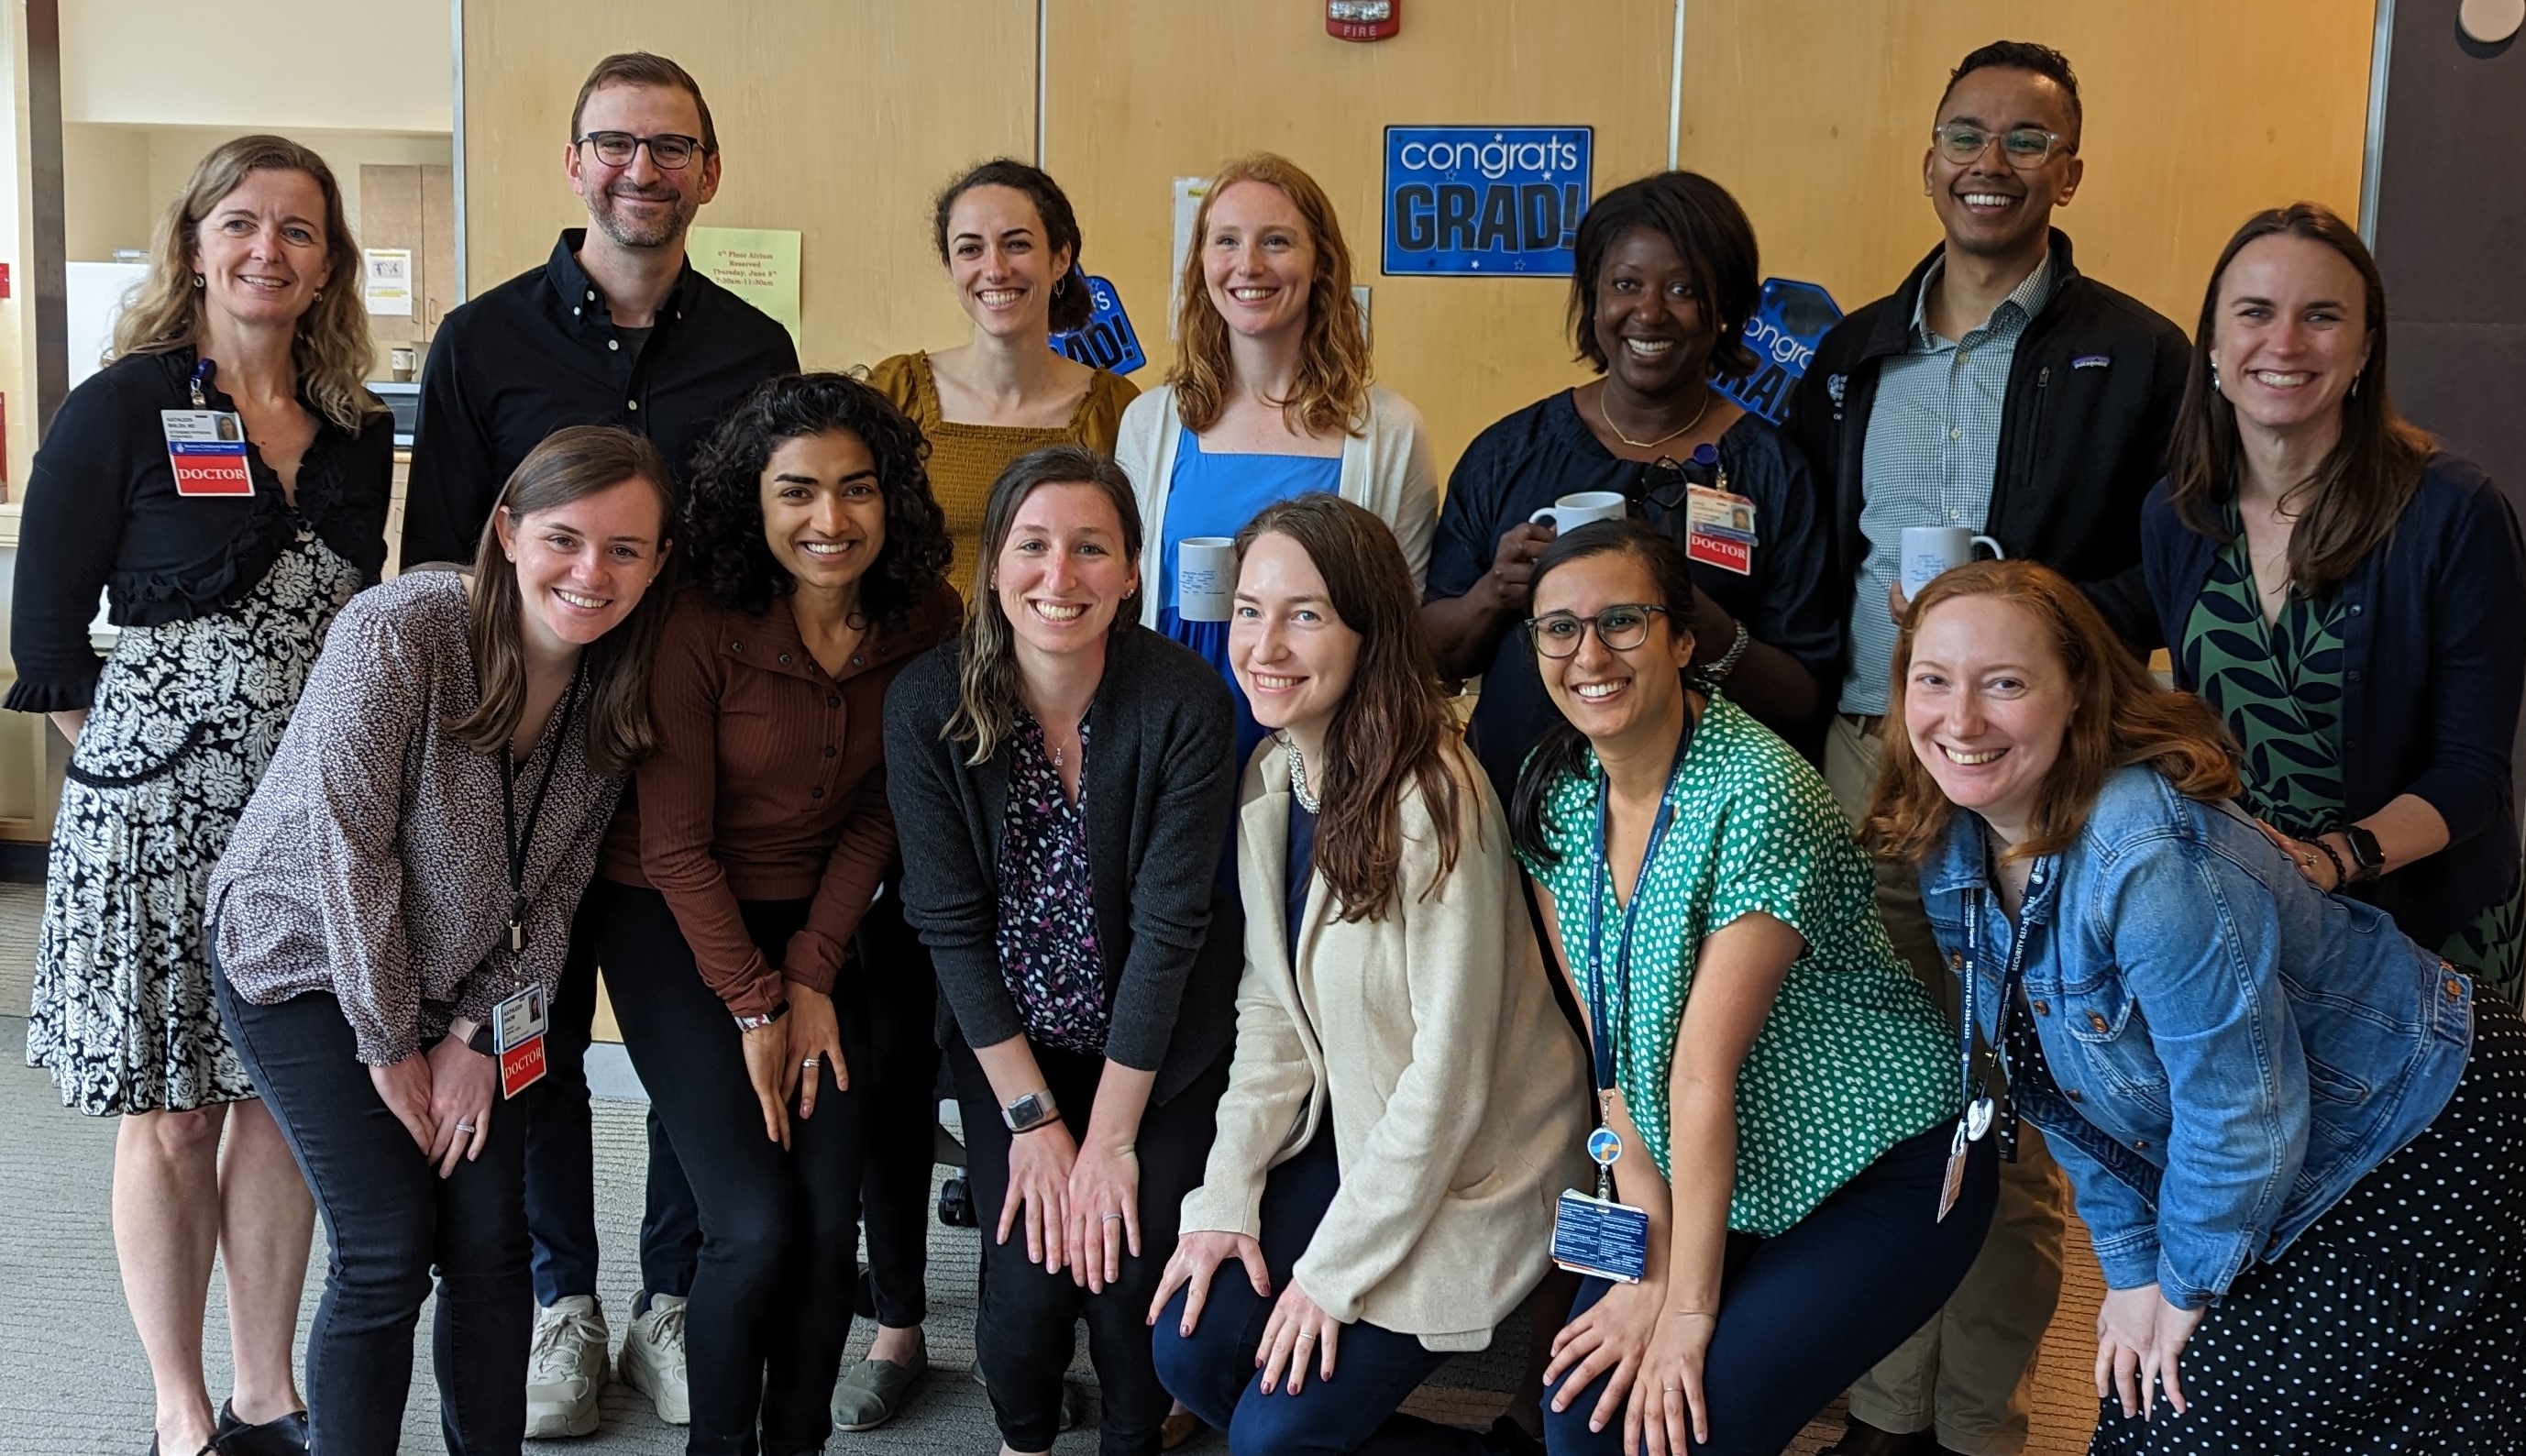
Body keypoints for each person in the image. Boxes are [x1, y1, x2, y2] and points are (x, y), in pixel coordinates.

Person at [1868, 558, 2526, 1452]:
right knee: (2154, 1404)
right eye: (1933, 680)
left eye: (2005, 684)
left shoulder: (2147, 853)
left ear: (2076, 693)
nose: (1960, 720)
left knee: (2191, 1417)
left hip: (2417, 1124)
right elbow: (2062, 1094)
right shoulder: (1953, 843)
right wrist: (2131, 1269)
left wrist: (2180, 1290)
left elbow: (2239, 1111)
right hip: (2273, 1145)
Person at [1785, 42, 2192, 1456]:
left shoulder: (2135, 352)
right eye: (1965, 134)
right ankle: (1882, 1411)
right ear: (1928, 157)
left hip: (2030, 774)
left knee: (2009, 1113)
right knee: (1890, 1103)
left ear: (2067, 172)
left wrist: (2034, 614)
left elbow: (2173, 574)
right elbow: (1806, 565)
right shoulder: (1851, 357)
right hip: (1867, 757)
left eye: (2026, 140)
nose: (1989, 162)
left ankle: (1974, 1426)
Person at [399, 51, 798, 1431]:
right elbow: (444, 565)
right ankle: (561, 1302)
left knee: (693, 1046)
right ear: (574, 162)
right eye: (616, 143)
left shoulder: (756, 349)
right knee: (538, 1042)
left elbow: (759, 564)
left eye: (672, 146)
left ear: (710, 171)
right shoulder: (480, 341)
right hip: (531, 762)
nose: (643, 169)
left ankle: (668, 1299)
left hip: (693, 767)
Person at [6, 135, 392, 1456]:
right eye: (241, 223)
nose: (267, 250)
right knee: (174, 1117)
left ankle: (264, 1391)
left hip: (309, 828)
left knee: (286, 1106)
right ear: (194, 243)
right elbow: (47, 639)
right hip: (154, 819)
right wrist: (146, 768)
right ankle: (180, 1413)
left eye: (298, 229)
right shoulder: (120, 405)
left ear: (328, 263)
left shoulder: (359, 430)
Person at [206, 425, 678, 1455]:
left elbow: (554, 892)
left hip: (462, 987)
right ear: (507, 532)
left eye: (625, 549)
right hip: (306, 959)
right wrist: (391, 1048)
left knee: (491, 1246)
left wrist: (475, 1036)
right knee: (385, 1246)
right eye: (564, 539)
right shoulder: (401, 630)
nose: (591, 573)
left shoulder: (618, 679)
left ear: (657, 563)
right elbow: (349, 855)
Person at [1512, 521, 1991, 1456]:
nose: (1588, 655)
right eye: (1559, 628)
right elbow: (1607, 1042)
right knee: (1580, 1422)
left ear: (1682, 639)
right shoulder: (1556, 783)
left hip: (1880, 1161)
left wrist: (1683, 1308)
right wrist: (1648, 1256)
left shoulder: (1757, 789)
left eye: (1621, 621)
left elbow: (1701, 1074)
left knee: (1684, 1429)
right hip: (1716, 1165)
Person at [1148, 494, 1589, 1455]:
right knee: (1188, 1352)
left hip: (1470, 1155)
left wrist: (1328, 1278)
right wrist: (1223, 1199)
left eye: (1304, 614)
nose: (1265, 644)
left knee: (1273, 1437)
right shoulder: (1274, 777)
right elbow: (1270, 1011)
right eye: (1251, 609)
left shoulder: (1432, 799)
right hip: (1352, 1125)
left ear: (1368, 630)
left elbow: (1448, 1078)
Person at [572, 373, 956, 1453]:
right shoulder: (696, 620)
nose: (830, 519)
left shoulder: (927, 617)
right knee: (750, 1225)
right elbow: (673, 845)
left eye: (856, 488)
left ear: (891, 497)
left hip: (820, 925)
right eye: (797, 491)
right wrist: (758, 1005)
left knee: (829, 1226)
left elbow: (884, 809)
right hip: (671, 919)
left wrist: (815, 970)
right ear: (754, 499)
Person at [853, 158, 1140, 1431]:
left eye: (1018, 244)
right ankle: (898, 1319)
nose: (994, 270)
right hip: (918, 738)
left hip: (1055, 750)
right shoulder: (899, 394)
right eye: (969, 246)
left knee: (1034, 1007)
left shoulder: (1122, 410)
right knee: (891, 1046)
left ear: (1062, 257)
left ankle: (1056, 1285)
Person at [884, 447, 1241, 1456]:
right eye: (1032, 546)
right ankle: (1024, 1439)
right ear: (993, 565)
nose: (1059, 575)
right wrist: (1035, 1123)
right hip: (1013, 1043)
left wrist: (1110, 1142)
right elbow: (948, 924)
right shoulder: (926, 703)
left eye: (1091, 549)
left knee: (1126, 1263)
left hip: (1157, 1047)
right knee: (1032, 1274)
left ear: (1130, 572)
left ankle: (1136, 1433)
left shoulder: (1183, 700)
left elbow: (1170, 933)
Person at [2145, 203, 2526, 1008]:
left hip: (2430, 932)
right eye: (2254, 312)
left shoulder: (2452, 513)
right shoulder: (2177, 515)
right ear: (2212, 342)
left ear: (2364, 349)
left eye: (2320, 316)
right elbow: (2202, 728)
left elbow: (2472, 774)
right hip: (2264, 920)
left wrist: (2333, 858)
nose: (2283, 343)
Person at [1423, 170, 1839, 800]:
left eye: (1682, 289)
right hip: (1515, 809)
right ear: (1593, 298)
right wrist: (1494, 593)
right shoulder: (1508, 454)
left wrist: (1698, 621)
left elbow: (1802, 698)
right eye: (1625, 285)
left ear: (1726, 309)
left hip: (1709, 825)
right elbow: (1436, 657)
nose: (1649, 312)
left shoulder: (1774, 471)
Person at [1115, 152, 1439, 768]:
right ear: (1201, 262)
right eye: (1226, 241)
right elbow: (1127, 604)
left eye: (1276, 241)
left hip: (1333, 754)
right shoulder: (1149, 423)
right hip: (1176, 750)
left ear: (1321, 263)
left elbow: (1402, 621)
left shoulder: (1390, 432)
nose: (1249, 265)